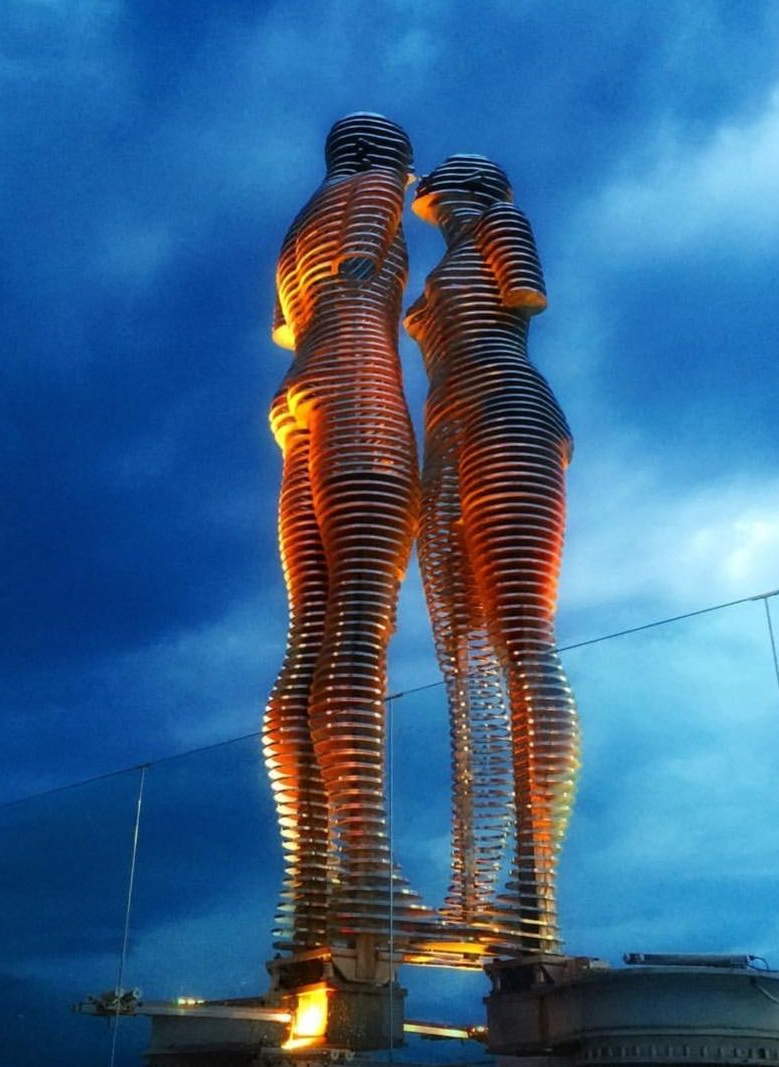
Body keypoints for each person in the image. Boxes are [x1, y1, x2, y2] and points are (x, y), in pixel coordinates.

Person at [405, 155, 580, 955]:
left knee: (518, 637)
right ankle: (472, 893)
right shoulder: (450, 254)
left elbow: (527, 295)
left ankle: (530, 886)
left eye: (437, 187)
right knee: (462, 659)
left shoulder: (500, 226)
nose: (423, 196)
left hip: (506, 407)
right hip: (448, 429)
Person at [264, 114, 426, 953]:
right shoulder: (368, 194)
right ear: (387, 157)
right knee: (360, 631)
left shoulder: (298, 222)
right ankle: (367, 875)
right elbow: (365, 258)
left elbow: (287, 327)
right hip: (359, 388)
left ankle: (312, 881)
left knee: (309, 636)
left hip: (300, 398)